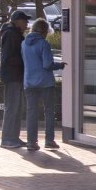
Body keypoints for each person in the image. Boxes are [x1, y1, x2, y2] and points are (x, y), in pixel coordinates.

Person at [22, 17, 63, 150]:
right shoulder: (44, 44)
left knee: (31, 113)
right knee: (49, 111)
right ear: (44, 31)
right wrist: (59, 65)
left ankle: (31, 142)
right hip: (45, 83)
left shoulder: (24, 44)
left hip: (29, 82)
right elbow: (47, 65)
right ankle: (49, 140)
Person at [0, 10, 30, 148]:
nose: (27, 23)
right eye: (24, 21)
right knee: (12, 107)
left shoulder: (15, 34)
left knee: (17, 107)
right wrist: (24, 61)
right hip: (12, 76)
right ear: (17, 21)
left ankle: (14, 137)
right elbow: (9, 57)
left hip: (16, 76)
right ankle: (7, 139)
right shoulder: (11, 34)